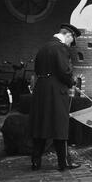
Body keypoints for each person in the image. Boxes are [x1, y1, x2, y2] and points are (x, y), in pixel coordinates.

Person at [29, 23, 82, 171]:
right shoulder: (60, 48)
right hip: (56, 90)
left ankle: (35, 161)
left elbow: (37, 69)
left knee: (41, 124)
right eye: (72, 40)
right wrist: (71, 82)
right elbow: (64, 71)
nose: (71, 44)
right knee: (60, 125)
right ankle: (63, 162)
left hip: (41, 89)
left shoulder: (43, 48)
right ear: (68, 35)